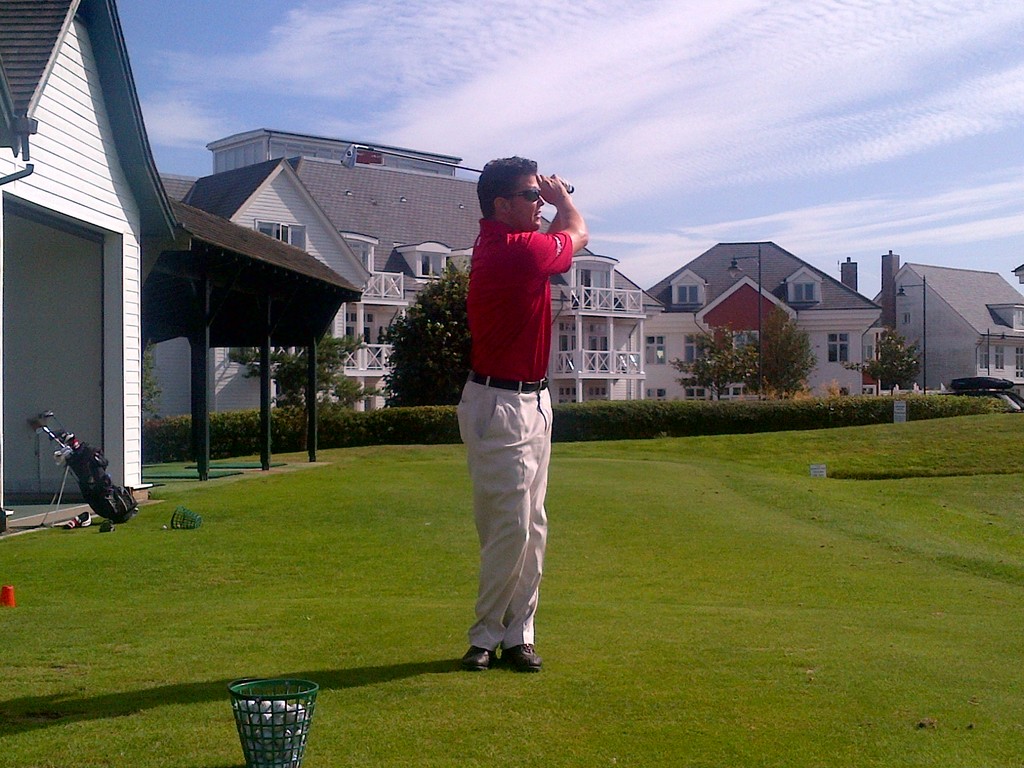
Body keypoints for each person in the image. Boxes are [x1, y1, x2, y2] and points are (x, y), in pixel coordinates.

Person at [457, 157, 588, 672]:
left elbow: (559, 241)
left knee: (533, 524)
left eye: (539, 196)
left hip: (534, 400)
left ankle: (518, 635)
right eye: (531, 196)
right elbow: (577, 233)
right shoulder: (512, 250)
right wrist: (564, 200)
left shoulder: (522, 246)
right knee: (510, 526)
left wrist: (548, 200)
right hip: (499, 403)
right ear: (501, 205)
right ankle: (485, 635)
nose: (538, 204)